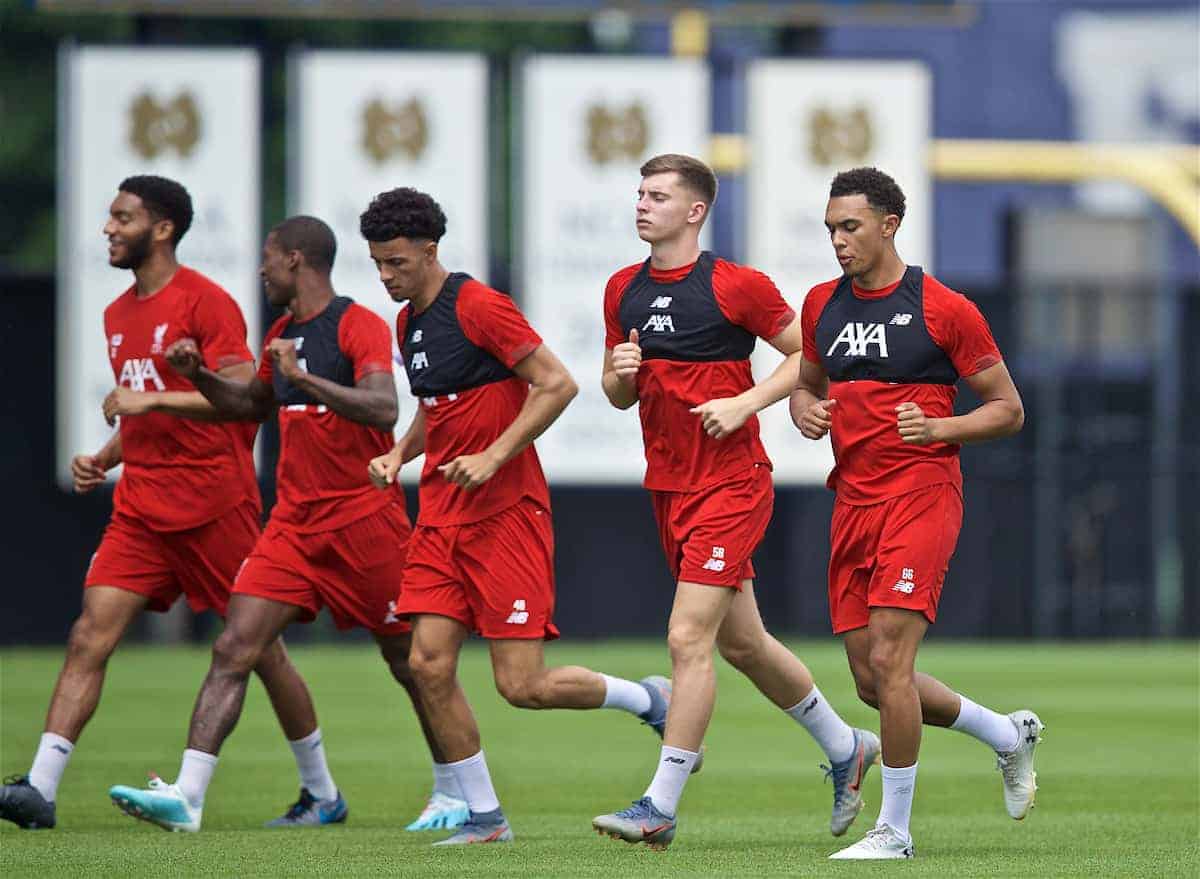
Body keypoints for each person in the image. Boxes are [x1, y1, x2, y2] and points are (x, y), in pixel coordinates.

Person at [106, 215, 455, 832]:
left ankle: (457, 792)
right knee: (234, 646)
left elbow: (383, 406)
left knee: (412, 663)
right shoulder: (282, 333)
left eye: (267, 259)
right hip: (292, 527)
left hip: (363, 522)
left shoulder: (356, 323)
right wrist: (199, 377)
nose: (261, 270)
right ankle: (187, 795)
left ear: (295, 260)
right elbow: (252, 405)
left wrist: (304, 378)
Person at [0, 177, 323, 831]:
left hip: (214, 504)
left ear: (163, 228)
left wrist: (153, 400)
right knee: (90, 633)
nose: (108, 228)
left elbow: (240, 398)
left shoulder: (206, 302)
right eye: (110, 217)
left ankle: (321, 789)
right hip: (142, 508)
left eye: (123, 217)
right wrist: (106, 456)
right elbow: (142, 410)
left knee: (259, 650)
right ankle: (39, 787)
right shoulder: (117, 314)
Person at [362, 187, 673, 847]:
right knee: (427, 664)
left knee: (522, 684)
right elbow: (436, 405)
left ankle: (646, 699)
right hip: (441, 517)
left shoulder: (476, 305)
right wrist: (398, 452)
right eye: (378, 265)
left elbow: (557, 382)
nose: (386, 276)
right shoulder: (405, 322)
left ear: (428, 250)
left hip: (505, 514)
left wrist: (496, 453)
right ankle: (484, 816)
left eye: (396, 263)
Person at [592, 154, 876, 851]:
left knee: (687, 638)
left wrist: (747, 400)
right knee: (744, 643)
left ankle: (659, 804)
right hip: (670, 486)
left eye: (657, 196)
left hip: (732, 482)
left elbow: (807, 354)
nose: (642, 204)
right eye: (640, 193)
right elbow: (616, 392)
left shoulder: (734, 284)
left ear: (694, 212)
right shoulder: (622, 288)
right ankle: (846, 747)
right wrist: (619, 374)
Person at [791, 167, 1041, 860]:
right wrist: (804, 410)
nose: (839, 241)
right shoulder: (820, 306)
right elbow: (807, 385)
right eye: (831, 228)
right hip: (854, 502)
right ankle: (1004, 733)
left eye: (851, 226)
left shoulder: (944, 308)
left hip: (922, 496)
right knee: (871, 682)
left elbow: (1009, 409)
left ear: (889, 224)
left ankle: (894, 832)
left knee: (891, 660)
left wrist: (942, 430)